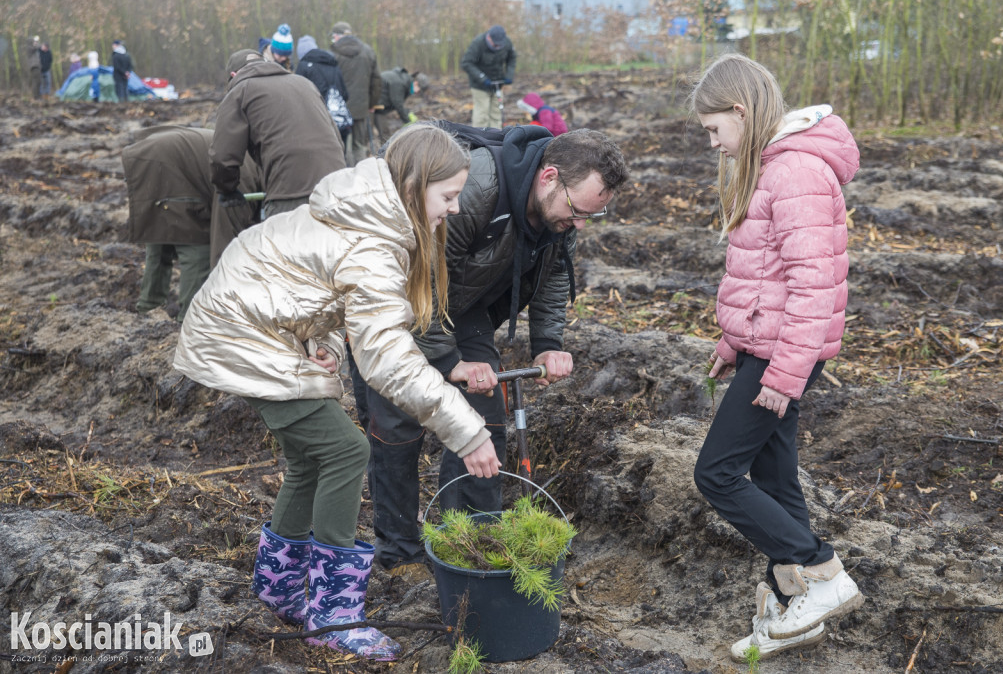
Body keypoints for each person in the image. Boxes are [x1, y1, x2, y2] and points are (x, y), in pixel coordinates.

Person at [173, 124, 499, 660]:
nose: (456, 209)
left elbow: (301, 277)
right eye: (448, 196)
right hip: (240, 335)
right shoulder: (374, 240)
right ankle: (334, 613)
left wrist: (318, 338)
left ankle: (279, 590)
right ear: (416, 186)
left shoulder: (367, 212)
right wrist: (467, 432)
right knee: (347, 450)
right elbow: (387, 357)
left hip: (250, 325)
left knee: (310, 460)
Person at [352, 124, 629, 579]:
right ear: (549, 176)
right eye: (578, 210)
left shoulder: (561, 213)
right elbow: (425, 275)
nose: (579, 224)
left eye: (591, 216)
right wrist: (448, 363)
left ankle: (468, 541)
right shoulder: (475, 190)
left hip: (463, 307)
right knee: (398, 424)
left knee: (485, 419)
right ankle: (399, 555)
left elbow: (555, 275)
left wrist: (547, 346)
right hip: (395, 305)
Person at [688, 53, 863, 662]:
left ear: (741, 111)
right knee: (773, 476)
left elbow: (814, 289)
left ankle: (822, 572)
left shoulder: (794, 174)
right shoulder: (773, 168)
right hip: (767, 349)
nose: (714, 144)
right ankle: (794, 602)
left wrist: (784, 375)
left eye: (715, 129)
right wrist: (734, 339)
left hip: (785, 357)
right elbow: (767, 277)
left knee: (715, 473)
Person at [123, 126, 261, 321]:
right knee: (197, 246)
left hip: (149, 156)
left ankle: (148, 306)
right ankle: (189, 318)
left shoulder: (248, 158)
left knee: (160, 237)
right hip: (167, 165)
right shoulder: (247, 178)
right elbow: (227, 234)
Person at [210, 49, 345, 220]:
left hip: (290, 193)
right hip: (337, 187)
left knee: (289, 245)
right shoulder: (304, 83)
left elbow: (223, 156)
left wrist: (227, 189)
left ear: (233, 74)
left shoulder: (240, 91)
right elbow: (338, 140)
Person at [329, 21, 382, 165]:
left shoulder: (332, 53)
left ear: (336, 36)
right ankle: (362, 179)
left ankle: (343, 178)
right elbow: (376, 80)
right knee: (359, 146)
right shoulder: (368, 51)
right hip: (361, 108)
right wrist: (371, 104)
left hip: (339, 110)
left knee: (340, 147)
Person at [295, 35, 353, 144]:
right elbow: (345, 94)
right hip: (339, 123)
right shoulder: (333, 63)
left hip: (317, 123)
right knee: (340, 156)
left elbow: (298, 98)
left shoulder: (303, 66)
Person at [460, 25, 516, 128]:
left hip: (498, 83)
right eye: (495, 45)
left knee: (496, 113)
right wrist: (482, 78)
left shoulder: (507, 42)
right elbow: (466, 63)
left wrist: (509, 75)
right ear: (489, 37)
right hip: (480, 85)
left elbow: (512, 58)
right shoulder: (478, 43)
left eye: (500, 45)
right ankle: (479, 138)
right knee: (482, 113)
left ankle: (495, 138)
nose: (498, 47)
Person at [373, 68, 428, 144]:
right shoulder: (399, 83)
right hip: (369, 104)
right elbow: (397, 104)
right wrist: (409, 122)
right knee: (369, 135)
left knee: (385, 134)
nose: (417, 92)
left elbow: (398, 103)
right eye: (419, 90)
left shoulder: (405, 82)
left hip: (379, 108)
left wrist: (407, 112)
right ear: (416, 83)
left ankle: (384, 151)